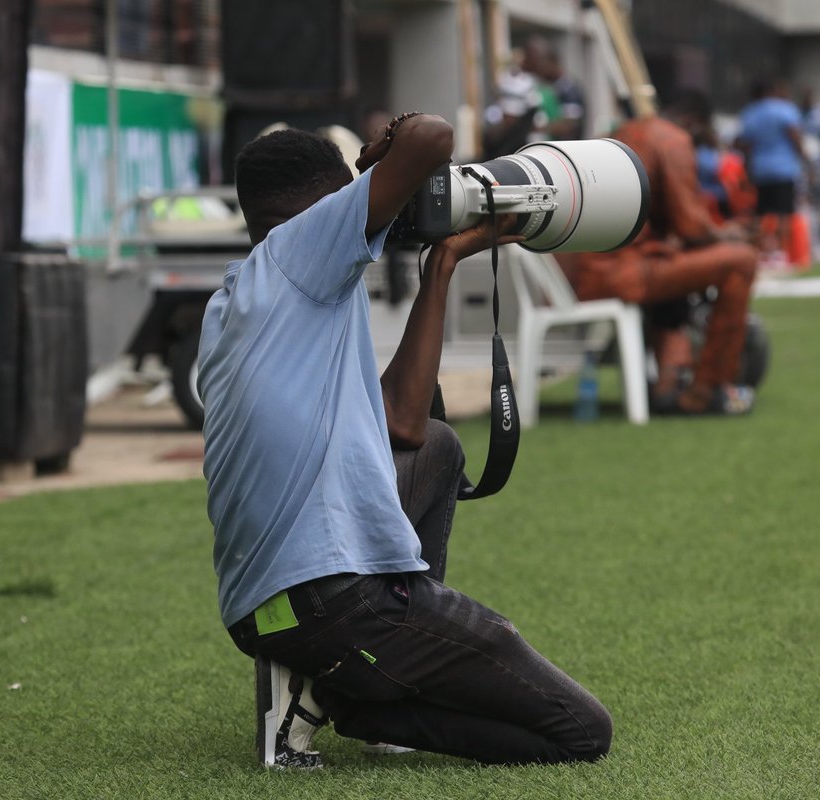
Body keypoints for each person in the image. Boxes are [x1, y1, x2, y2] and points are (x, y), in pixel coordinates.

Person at [197, 114, 613, 769]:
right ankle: (359, 704)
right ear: (319, 209)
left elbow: (404, 426)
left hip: (267, 613)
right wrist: (384, 153)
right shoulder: (304, 247)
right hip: (336, 603)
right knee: (582, 731)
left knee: (438, 448)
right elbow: (431, 139)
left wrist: (442, 263)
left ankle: (337, 682)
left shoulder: (242, 296)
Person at [564, 90, 760, 416]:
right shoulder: (671, 139)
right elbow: (692, 228)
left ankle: (669, 382)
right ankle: (707, 387)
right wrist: (729, 233)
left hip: (591, 268)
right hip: (617, 273)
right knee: (740, 261)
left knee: (677, 262)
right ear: (694, 124)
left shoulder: (622, 132)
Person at [738, 78, 804, 265]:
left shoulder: (750, 112)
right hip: (784, 168)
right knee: (784, 213)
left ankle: (759, 252)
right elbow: (794, 134)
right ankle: (781, 253)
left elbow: (744, 142)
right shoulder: (785, 109)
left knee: (760, 214)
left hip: (760, 169)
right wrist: (802, 155)